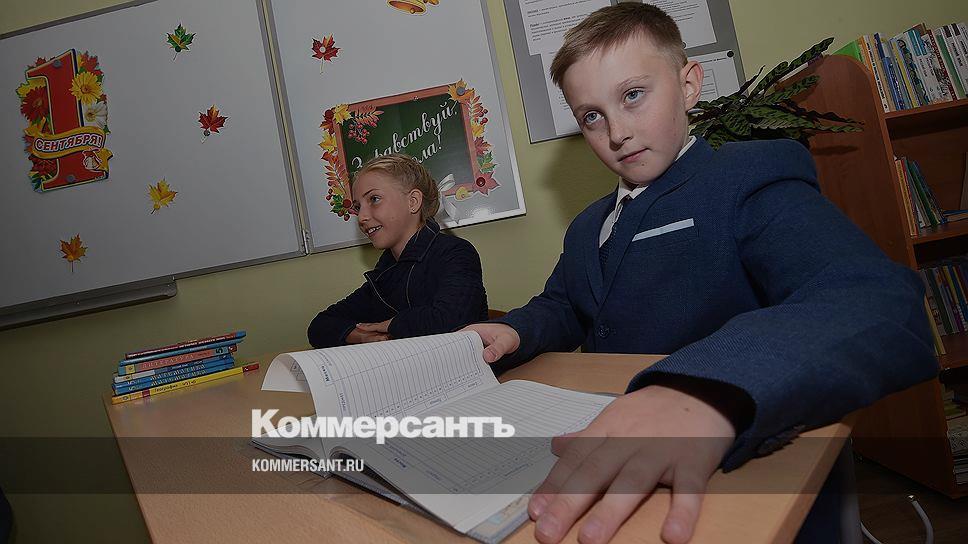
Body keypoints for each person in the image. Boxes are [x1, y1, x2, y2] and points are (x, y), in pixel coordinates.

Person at [464, 4, 937, 544]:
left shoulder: (747, 179)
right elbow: (567, 305)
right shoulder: (586, 226)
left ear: (689, 85)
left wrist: (707, 391)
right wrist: (515, 330)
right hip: (616, 442)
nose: (616, 132)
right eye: (592, 116)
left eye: (633, 95)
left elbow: (875, 300)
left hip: (734, 461)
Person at [308, 153, 488, 347]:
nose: (361, 217)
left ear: (413, 202)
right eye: (358, 207)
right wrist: (359, 336)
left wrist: (390, 326)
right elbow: (320, 326)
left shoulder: (455, 253)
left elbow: (452, 320)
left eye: (374, 199)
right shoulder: (384, 274)